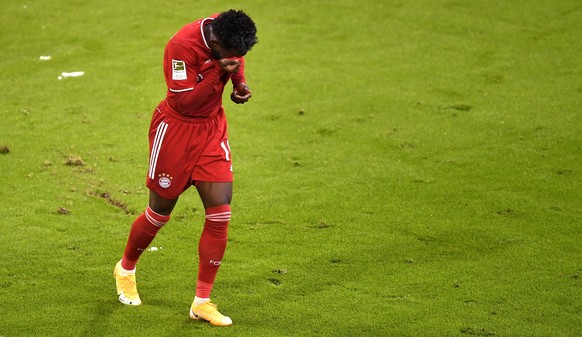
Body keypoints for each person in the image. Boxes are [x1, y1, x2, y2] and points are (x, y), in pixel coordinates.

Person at [113, 9, 258, 327]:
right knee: (158, 214)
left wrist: (238, 83)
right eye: (229, 55)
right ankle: (125, 268)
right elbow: (183, 102)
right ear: (215, 42)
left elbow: (234, 60)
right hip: (175, 131)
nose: (235, 58)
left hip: (211, 131)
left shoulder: (226, 32)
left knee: (220, 214)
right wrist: (216, 74)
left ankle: (202, 302)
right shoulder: (181, 46)